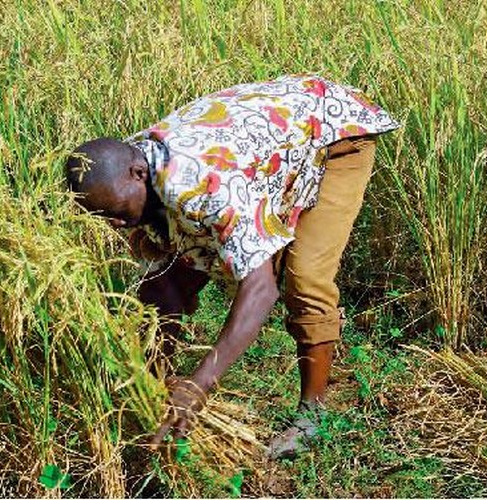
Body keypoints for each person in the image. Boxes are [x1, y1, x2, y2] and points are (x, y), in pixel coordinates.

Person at [65, 74, 399, 459]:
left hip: (333, 133)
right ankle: (154, 396)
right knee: (165, 281)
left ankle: (313, 416)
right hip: (274, 144)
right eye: (106, 217)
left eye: (118, 212)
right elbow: (172, 277)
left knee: (304, 276)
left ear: (138, 175)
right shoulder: (135, 162)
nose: (118, 225)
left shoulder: (201, 184)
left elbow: (260, 290)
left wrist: (199, 385)